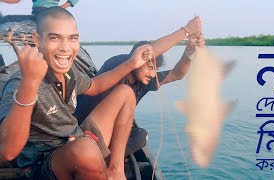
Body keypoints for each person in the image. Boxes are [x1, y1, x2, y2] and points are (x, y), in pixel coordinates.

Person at [0, 7, 153, 179]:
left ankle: (115, 170)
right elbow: (7, 152)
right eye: (55, 38)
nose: (65, 48)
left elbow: (95, 85)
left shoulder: (69, 72)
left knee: (125, 92)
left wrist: (132, 63)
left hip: (74, 137)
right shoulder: (19, 83)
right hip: (42, 164)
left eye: (72, 39)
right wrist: (30, 84)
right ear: (37, 40)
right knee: (85, 150)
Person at [75, 17, 205, 156]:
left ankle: (109, 158)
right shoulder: (118, 64)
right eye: (149, 67)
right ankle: (104, 158)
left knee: (141, 136)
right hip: (85, 126)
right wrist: (186, 31)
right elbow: (148, 52)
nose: (152, 73)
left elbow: (177, 74)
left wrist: (190, 49)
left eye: (155, 68)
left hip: (108, 130)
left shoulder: (145, 81)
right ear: (137, 60)